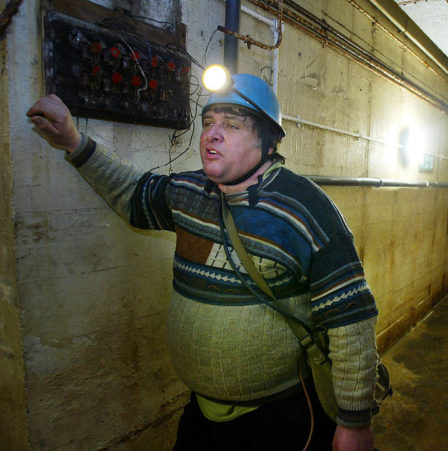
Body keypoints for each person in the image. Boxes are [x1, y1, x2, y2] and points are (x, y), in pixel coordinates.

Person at [27, 73, 379, 451]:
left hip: (281, 418)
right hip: (201, 415)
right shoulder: (187, 192)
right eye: (209, 123)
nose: (212, 133)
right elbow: (132, 194)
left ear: (268, 139)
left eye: (231, 124)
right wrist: (72, 141)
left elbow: (351, 320)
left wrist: (353, 423)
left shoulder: (306, 209)